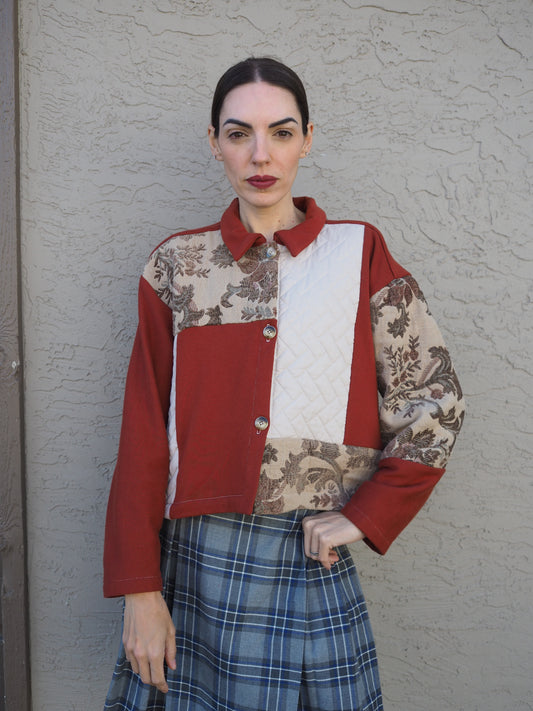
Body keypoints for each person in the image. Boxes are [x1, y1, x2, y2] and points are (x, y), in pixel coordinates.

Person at [103, 57, 465, 711]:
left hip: (308, 559)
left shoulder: (359, 253)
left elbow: (432, 401)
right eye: (238, 133)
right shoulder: (176, 266)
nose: (260, 154)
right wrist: (140, 588)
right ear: (213, 141)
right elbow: (143, 430)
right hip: (197, 560)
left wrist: (364, 515)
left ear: (307, 137)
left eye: (282, 131)